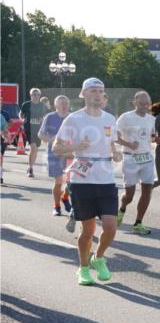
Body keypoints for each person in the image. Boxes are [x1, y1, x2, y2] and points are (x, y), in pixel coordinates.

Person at [53, 78, 121, 285]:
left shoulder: (110, 118)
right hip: (82, 181)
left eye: (101, 91)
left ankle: (98, 258)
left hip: (106, 179)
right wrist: (75, 147)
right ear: (83, 94)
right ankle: (83, 268)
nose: (98, 95)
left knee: (110, 227)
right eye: (93, 91)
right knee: (88, 231)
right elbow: (56, 148)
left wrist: (116, 152)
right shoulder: (74, 119)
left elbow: (112, 143)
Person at [115, 91, 156, 235]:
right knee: (129, 195)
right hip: (130, 158)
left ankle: (138, 223)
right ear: (135, 103)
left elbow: (153, 137)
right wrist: (129, 144)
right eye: (141, 103)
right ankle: (122, 208)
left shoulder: (151, 119)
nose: (145, 105)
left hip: (147, 158)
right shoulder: (125, 117)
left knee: (147, 189)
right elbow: (115, 136)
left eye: (147, 103)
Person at [37, 95, 74, 216]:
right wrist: (51, 140)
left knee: (72, 182)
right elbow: (40, 134)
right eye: (61, 103)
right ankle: (56, 206)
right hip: (55, 153)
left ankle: (65, 197)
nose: (64, 105)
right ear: (56, 105)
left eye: (66, 103)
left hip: (70, 153)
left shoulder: (73, 117)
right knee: (59, 182)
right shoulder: (50, 117)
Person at [19, 87, 46, 177]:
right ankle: (30, 169)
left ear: (39, 95)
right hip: (29, 129)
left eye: (37, 94)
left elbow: (45, 116)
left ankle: (31, 167)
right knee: (33, 148)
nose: (36, 96)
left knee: (36, 150)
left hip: (38, 130)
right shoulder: (26, 104)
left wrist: (42, 119)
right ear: (30, 95)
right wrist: (22, 119)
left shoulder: (42, 105)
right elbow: (21, 113)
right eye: (34, 94)